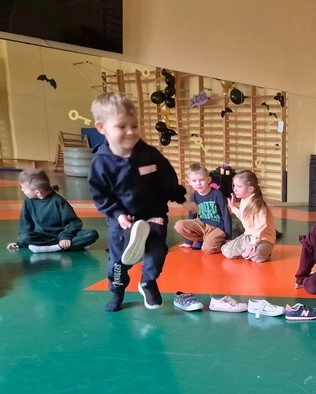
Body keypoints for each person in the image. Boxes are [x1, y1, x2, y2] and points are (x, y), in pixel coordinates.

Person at [88, 92, 197, 312]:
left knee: (157, 251)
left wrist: (182, 200)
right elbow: (101, 194)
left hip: (153, 213)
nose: (130, 132)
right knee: (118, 263)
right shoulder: (101, 163)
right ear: (102, 128)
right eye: (121, 127)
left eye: (134, 126)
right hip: (123, 219)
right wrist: (117, 213)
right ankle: (117, 292)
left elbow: (167, 179)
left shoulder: (150, 155)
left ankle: (148, 281)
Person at [6, 169, 99, 253]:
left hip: (62, 234)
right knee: (25, 238)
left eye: (24, 188)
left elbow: (74, 222)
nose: (22, 190)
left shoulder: (58, 201)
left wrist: (65, 237)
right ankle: (66, 246)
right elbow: (26, 225)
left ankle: (54, 247)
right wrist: (20, 243)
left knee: (92, 234)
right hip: (42, 236)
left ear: (37, 192)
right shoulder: (28, 201)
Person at [173, 163, 232, 253]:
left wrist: (228, 238)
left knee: (207, 249)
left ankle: (216, 240)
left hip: (216, 228)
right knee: (179, 225)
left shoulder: (217, 194)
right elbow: (191, 217)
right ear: (190, 182)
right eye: (194, 181)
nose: (198, 183)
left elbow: (226, 215)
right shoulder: (194, 196)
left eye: (201, 180)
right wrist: (189, 242)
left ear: (209, 180)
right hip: (201, 226)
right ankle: (201, 239)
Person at [221, 170, 276, 263]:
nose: (235, 189)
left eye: (239, 186)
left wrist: (253, 244)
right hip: (249, 236)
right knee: (226, 251)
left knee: (257, 257)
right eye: (234, 186)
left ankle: (263, 252)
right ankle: (247, 250)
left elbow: (261, 226)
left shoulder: (258, 205)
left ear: (250, 189)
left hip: (264, 238)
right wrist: (233, 207)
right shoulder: (244, 200)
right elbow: (244, 217)